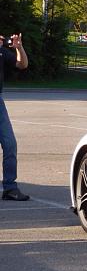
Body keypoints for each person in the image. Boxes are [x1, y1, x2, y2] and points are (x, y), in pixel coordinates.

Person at [0, 33, 29, 201]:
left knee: (10, 144)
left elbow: (22, 64)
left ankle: (10, 188)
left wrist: (19, 47)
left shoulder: (3, 53)